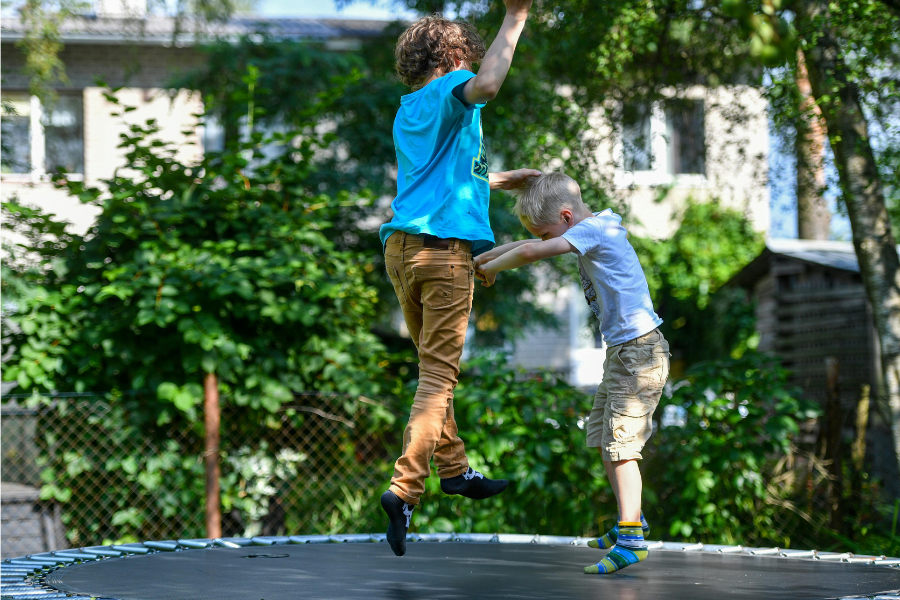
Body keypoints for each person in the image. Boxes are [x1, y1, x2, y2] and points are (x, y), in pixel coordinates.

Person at [379, 0, 536, 558]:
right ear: (454, 57)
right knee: (439, 379)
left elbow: (437, 178)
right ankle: (404, 489)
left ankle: (455, 469)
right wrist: (515, 17)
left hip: (402, 249)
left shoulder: (409, 109)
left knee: (432, 370)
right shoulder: (456, 89)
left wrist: (499, 180)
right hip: (443, 255)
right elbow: (489, 85)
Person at [474, 172, 670, 574]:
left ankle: (632, 538)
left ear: (566, 217)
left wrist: (494, 271)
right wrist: (483, 258)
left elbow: (530, 254)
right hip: (623, 354)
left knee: (621, 445)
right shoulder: (589, 228)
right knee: (601, 437)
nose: (547, 243)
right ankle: (628, 520)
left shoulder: (598, 229)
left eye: (548, 234)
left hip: (640, 353)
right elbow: (528, 245)